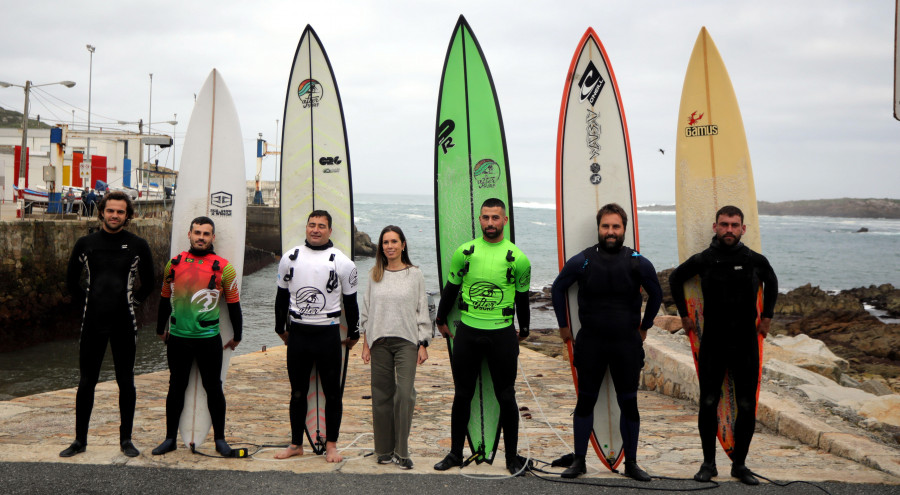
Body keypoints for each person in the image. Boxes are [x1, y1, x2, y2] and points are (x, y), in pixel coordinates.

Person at [550, 203, 662, 481]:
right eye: (606, 226)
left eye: (616, 227)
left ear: (624, 229)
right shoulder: (584, 260)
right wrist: (564, 327)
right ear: (599, 229)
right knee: (585, 402)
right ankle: (579, 461)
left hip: (626, 344)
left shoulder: (637, 261)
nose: (610, 232)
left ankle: (632, 463)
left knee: (629, 404)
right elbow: (558, 288)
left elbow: (656, 294)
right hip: (591, 343)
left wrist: (645, 326)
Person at [669, 205, 778, 486]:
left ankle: (740, 465)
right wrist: (684, 315)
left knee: (746, 404)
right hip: (713, 343)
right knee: (708, 402)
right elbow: (675, 278)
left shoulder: (754, 260)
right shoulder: (704, 259)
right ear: (715, 227)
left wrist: (767, 317)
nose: (729, 229)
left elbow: (773, 282)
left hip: (745, 344)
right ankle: (708, 464)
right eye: (724, 224)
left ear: (743, 229)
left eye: (734, 225)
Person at [432, 198, 532, 475]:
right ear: (480, 219)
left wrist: (523, 329)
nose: (490, 223)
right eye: (486, 217)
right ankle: (454, 453)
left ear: (505, 220)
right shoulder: (465, 252)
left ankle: (511, 459)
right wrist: (440, 319)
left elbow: (523, 300)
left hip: (501, 333)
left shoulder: (518, 258)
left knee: (506, 395)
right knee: (462, 394)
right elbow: (451, 289)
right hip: (469, 331)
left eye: (495, 218)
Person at [61, 191, 154, 458]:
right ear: (101, 211)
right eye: (110, 211)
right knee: (86, 382)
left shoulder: (138, 245)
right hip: (93, 323)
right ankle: (80, 440)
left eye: (120, 212)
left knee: (126, 382)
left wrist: (131, 302)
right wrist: (91, 301)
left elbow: (148, 283)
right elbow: (71, 282)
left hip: (124, 322)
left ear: (128, 215)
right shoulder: (85, 243)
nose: (115, 216)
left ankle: (126, 440)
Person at [151, 216, 243, 457]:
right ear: (189, 235)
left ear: (213, 238)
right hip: (178, 338)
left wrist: (238, 334)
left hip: (208, 339)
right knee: (176, 388)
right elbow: (163, 299)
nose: (201, 237)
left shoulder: (224, 267)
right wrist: (161, 329)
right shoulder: (174, 263)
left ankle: (220, 440)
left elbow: (233, 305)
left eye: (206, 233)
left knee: (214, 388)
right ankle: (170, 438)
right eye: (197, 232)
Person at [274, 210, 359, 462]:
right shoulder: (290, 257)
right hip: (299, 334)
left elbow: (351, 303)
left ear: (330, 231)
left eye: (322, 226)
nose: (316, 229)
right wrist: (280, 328)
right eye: (312, 225)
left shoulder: (342, 262)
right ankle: (296, 444)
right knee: (297, 392)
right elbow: (280, 298)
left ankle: (331, 444)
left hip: (328, 334)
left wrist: (354, 332)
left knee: (333, 393)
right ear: (306, 228)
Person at [359, 225, 431, 469]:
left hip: (407, 342)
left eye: (394, 241)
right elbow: (367, 312)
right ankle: (384, 450)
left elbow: (423, 310)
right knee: (381, 396)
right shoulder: (374, 274)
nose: (389, 246)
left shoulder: (415, 274)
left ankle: (402, 450)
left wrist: (423, 343)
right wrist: (365, 344)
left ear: (403, 244)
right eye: (385, 242)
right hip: (379, 341)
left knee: (405, 394)